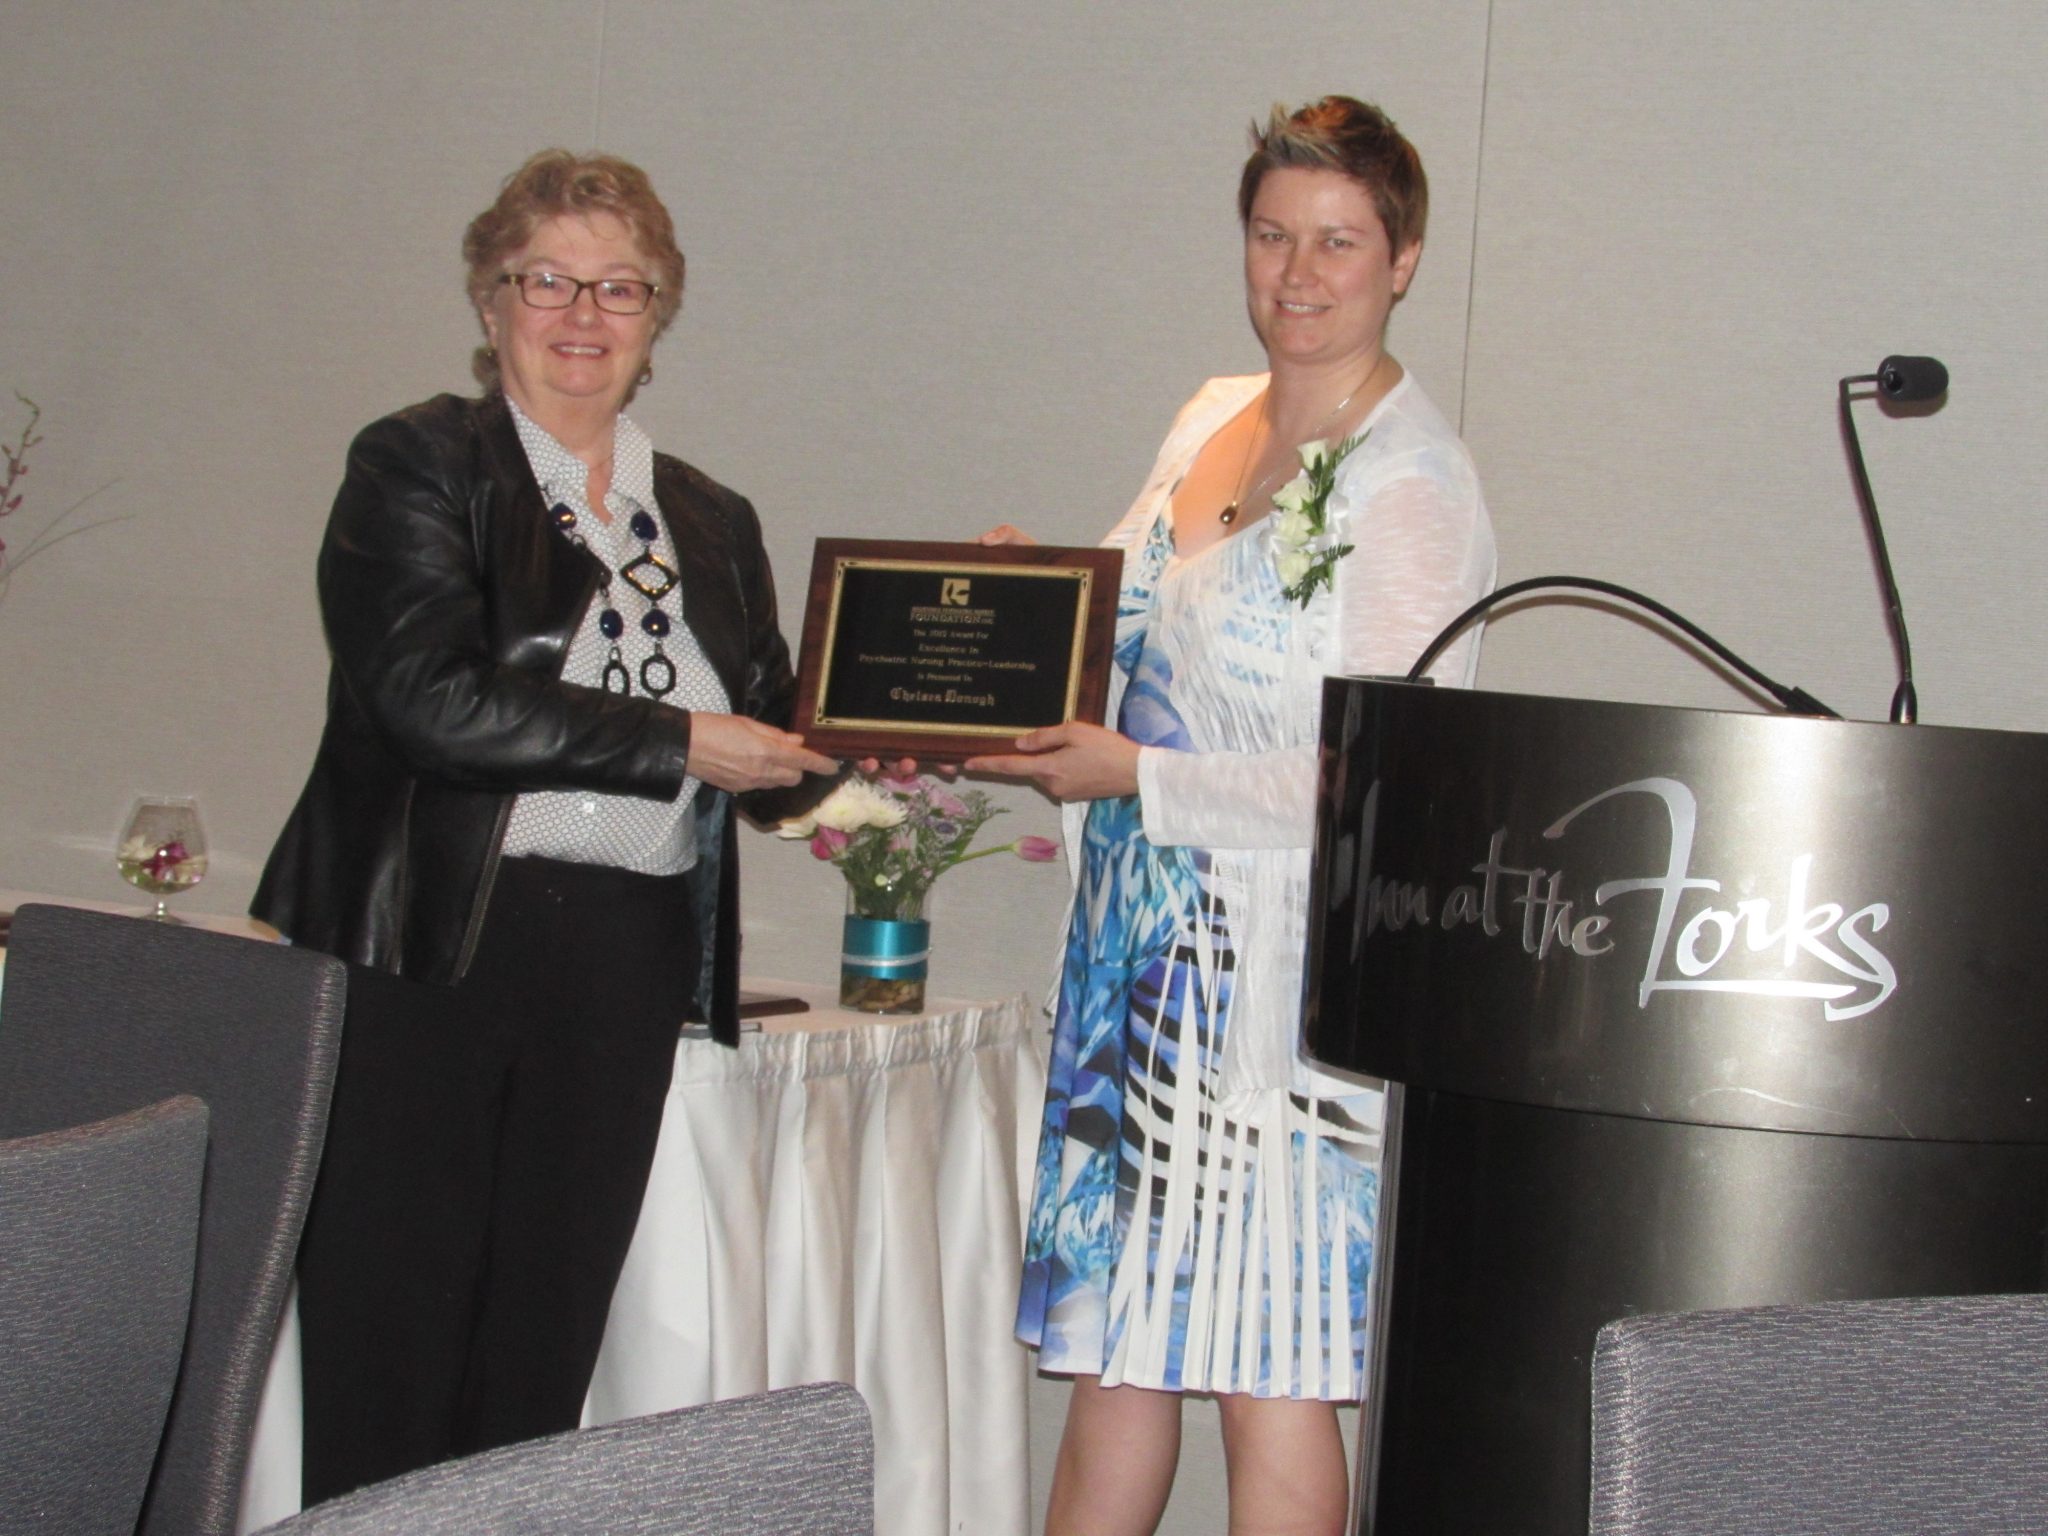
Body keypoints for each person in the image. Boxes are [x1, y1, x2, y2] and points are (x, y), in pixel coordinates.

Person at [252, 149, 838, 1503]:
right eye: (548, 281)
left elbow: (784, 747)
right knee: (390, 1344)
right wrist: (682, 743)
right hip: (435, 953)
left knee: (539, 1349)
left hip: (621, 959)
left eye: (620, 287)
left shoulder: (708, 517)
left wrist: (923, 666)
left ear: (660, 313)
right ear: (491, 295)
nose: (583, 314)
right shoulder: (416, 466)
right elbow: (429, 705)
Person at [967, 98, 1496, 1535]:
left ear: (1404, 259)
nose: (1298, 272)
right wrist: (1030, 609)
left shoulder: (1414, 488)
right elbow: (1134, 624)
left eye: (1338, 241)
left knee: (1275, 1372)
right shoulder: (1212, 414)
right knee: (1119, 1358)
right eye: (1272, 235)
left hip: (1273, 999)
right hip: (1136, 965)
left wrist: (1142, 777)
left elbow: (1378, 779)